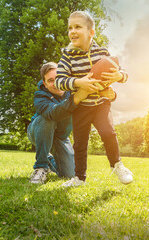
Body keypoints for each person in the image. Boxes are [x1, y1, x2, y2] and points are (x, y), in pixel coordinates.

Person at [55, 11, 134, 187]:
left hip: (101, 104)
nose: (72, 31)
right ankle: (79, 178)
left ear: (91, 32)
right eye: (70, 28)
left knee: (108, 132)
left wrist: (118, 77)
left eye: (77, 27)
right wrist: (78, 82)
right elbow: (59, 81)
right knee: (80, 143)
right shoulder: (67, 56)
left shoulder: (103, 52)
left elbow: (124, 74)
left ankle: (117, 165)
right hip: (81, 106)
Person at [27, 62, 95, 184]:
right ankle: (41, 167)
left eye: (58, 78)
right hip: (39, 131)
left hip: (61, 137)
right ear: (45, 84)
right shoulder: (40, 96)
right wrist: (76, 99)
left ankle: (49, 159)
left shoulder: (74, 89)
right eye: (51, 80)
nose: (56, 83)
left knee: (70, 174)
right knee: (47, 118)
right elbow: (54, 114)